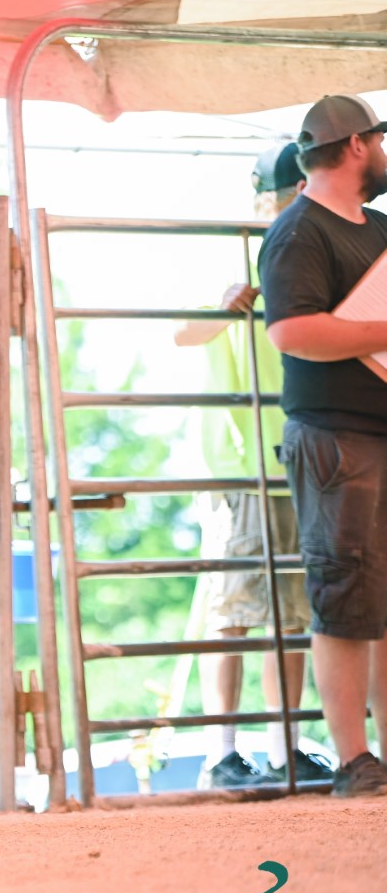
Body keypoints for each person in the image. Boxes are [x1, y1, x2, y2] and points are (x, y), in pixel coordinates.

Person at [175, 142, 326, 790]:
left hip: (293, 451)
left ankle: (283, 742)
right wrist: (223, 302)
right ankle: (221, 751)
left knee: (290, 612)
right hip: (237, 463)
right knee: (232, 609)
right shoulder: (232, 253)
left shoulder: (309, 257)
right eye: (277, 194)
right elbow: (181, 331)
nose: (280, 204)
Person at [259, 94, 387, 798]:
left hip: (365, 434)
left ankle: (373, 755)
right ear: (359, 145)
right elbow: (293, 332)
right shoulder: (299, 232)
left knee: (376, 599)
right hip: (337, 435)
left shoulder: (375, 228)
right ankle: (352, 759)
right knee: (344, 594)